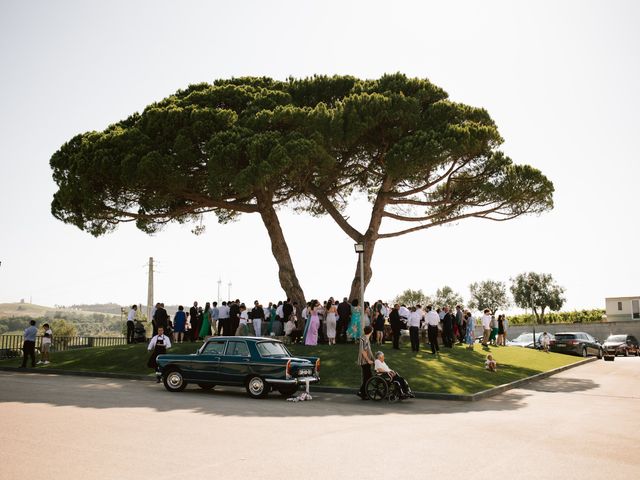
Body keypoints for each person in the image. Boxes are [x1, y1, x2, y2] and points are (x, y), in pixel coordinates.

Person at [356, 325, 374, 399]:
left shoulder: (365, 338)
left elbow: (368, 351)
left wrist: (373, 358)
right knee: (367, 377)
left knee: (368, 377)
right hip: (364, 362)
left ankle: (363, 392)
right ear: (371, 331)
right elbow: (363, 351)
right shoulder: (365, 339)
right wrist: (368, 360)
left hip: (366, 361)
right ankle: (362, 392)